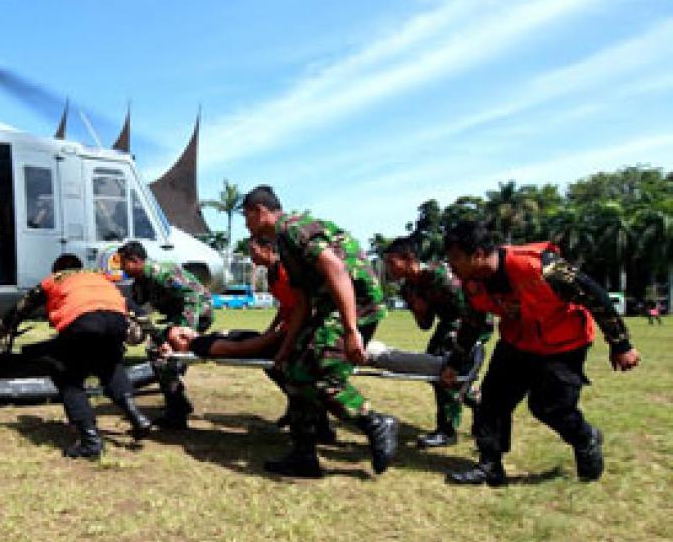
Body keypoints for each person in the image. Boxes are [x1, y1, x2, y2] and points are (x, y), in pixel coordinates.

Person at [441, 221, 640, 486]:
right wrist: (455, 362)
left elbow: (593, 294)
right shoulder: (472, 282)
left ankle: (585, 438)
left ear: (477, 255)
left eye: (455, 258)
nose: (450, 266)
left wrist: (621, 344)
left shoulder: (541, 267)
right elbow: (472, 323)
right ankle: (490, 465)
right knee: (492, 401)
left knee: (550, 407)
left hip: (563, 344)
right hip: (517, 342)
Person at [242, 185, 398, 478]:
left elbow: (336, 270)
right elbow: (301, 301)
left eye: (246, 217)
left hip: (354, 303)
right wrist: (288, 346)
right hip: (329, 307)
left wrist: (352, 330)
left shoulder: (293, 228)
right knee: (294, 370)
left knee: (322, 373)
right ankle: (304, 456)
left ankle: (375, 423)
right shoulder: (285, 244)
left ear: (261, 212)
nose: (246, 225)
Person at [0, 254, 152, 459]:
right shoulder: (98, 277)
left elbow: (18, 310)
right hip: (116, 321)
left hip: (82, 322)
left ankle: (90, 441)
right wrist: (156, 337)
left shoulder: (54, 280)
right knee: (110, 366)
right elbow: (135, 309)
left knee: (68, 377)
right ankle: (136, 416)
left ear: (56, 269)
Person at [383, 237, 493, 448]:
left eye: (392, 261)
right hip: (449, 325)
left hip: (473, 323)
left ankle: (447, 430)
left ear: (409, 259)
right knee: (437, 371)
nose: (389, 267)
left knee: (446, 369)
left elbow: (471, 310)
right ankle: (479, 404)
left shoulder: (440, 275)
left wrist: (461, 343)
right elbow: (425, 324)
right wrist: (419, 310)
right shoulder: (407, 289)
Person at [117, 241, 214, 429]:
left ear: (135, 260)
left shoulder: (161, 272)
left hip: (197, 314)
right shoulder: (141, 281)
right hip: (177, 316)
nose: (122, 268)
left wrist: (186, 332)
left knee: (159, 352)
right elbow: (140, 307)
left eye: (123, 263)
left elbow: (192, 296)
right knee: (159, 349)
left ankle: (177, 408)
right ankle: (177, 402)